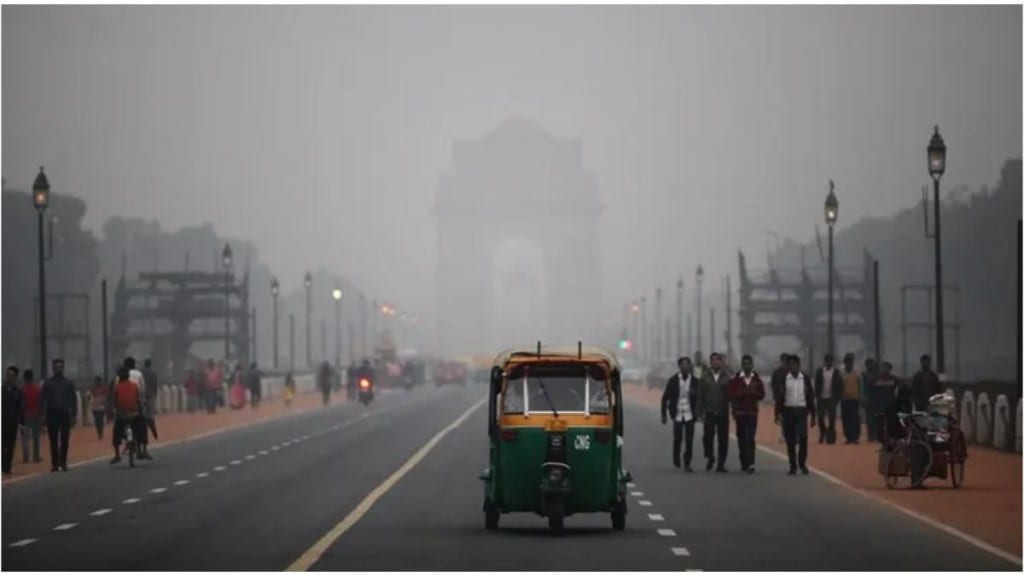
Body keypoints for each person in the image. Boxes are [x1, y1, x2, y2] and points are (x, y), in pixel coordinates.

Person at [775, 354, 815, 475]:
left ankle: (802, 463)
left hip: (802, 411)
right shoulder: (784, 379)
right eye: (790, 365)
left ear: (799, 365)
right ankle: (793, 465)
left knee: (803, 438)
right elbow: (779, 398)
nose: (793, 367)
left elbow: (810, 397)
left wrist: (813, 415)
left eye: (795, 364)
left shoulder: (805, 379)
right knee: (790, 440)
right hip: (788, 411)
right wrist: (777, 413)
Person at [727, 355, 765, 474]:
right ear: (742, 365)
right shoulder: (736, 379)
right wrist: (743, 392)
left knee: (750, 438)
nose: (747, 365)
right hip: (740, 413)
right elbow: (731, 394)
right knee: (742, 438)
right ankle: (744, 462)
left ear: (752, 365)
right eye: (745, 363)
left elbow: (762, 395)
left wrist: (753, 393)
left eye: (749, 363)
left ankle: (751, 463)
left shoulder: (757, 379)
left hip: (752, 413)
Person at [660, 357, 699, 472]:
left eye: (687, 364)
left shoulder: (695, 381)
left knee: (689, 440)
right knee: (678, 439)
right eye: (683, 364)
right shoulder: (673, 380)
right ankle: (676, 457)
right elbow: (664, 398)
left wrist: (695, 396)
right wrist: (664, 415)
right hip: (677, 413)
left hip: (690, 414)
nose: (685, 367)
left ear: (690, 366)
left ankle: (687, 463)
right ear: (679, 366)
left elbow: (701, 397)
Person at [41, 358, 76, 472]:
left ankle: (63, 462)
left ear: (63, 368)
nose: (58, 369)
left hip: (64, 414)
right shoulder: (48, 384)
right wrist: (42, 415)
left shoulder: (68, 383)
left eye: (60, 367)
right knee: (53, 440)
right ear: (53, 368)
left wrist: (74, 415)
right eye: (56, 367)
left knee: (65, 439)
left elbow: (73, 400)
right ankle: (55, 463)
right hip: (52, 414)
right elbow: (43, 400)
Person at [698, 352, 730, 473]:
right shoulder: (704, 377)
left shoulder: (727, 377)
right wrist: (699, 411)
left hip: (723, 411)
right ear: (710, 362)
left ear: (721, 362)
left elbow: (731, 395)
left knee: (723, 439)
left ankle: (721, 464)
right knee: (707, 437)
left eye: (718, 360)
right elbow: (700, 396)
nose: (716, 362)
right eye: (713, 360)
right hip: (709, 411)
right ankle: (710, 457)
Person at [110, 366, 144, 465]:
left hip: (122, 415)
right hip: (133, 415)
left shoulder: (117, 387)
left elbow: (114, 402)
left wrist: (116, 410)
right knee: (141, 428)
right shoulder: (134, 386)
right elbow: (138, 401)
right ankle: (141, 448)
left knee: (116, 432)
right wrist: (140, 410)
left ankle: (117, 455)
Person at [123, 357, 153, 460]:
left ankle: (127, 441)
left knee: (124, 424)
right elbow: (143, 389)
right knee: (142, 426)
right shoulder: (138, 374)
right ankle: (143, 449)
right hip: (137, 404)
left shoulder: (121, 374)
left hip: (124, 406)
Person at [813, 354, 841, 445]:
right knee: (820, 418)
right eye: (827, 361)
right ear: (825, 362)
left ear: (832, 362)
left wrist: (837, 398)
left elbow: (840, 385)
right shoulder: (820, 371)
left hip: (831, 398)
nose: (829, 363)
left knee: (832, 419)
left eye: (830, 361)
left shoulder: (836, 372)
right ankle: (823, 432)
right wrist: (816, 395)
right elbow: (816, 384)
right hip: (821, 398)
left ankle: (831, 438)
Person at [870, 362, 899, 445]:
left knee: (891, 425)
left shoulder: (894, 379)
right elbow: (873, 392)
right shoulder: (876, 379)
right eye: (883, 367)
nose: (885, 369)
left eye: (887, 367)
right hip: (880, 406)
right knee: (880, 425)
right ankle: (881, 440)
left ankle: (891, 439)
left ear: (890, 369)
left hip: (891, 406)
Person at [2, 366, 24, 475]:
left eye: (11, 376)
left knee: (10, 445)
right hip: (2, 421)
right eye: (7, 375)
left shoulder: (18, 392)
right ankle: (3, 464)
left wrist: (22, 423)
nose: (8, 377)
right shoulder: (2, 390)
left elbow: (21, 408)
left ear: (15, 377)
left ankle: (7, 466)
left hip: (12, 422)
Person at [20, 369, 43, 464]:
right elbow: (40, 402)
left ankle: (26, 457)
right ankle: (36, 456)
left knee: (25, 437)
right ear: (32, 377)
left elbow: (20, 403)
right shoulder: (37, 388)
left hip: (25, 415)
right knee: (36, 436)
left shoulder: (22, 389)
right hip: (36, 414)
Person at [839, 353, 862, 444]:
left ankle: (855, 437)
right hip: (844, 399)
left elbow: (860, 384)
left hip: (854, 398)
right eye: (847, 361)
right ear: (845, 362)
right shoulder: (840, 370)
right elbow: (838, 385)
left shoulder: (857, 370)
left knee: (855, 418)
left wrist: (861, 395)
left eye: (851, 361)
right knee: (846, 419)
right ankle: (848, 437)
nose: (849, 363)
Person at [770, 353, 790, 444]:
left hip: (792, 399)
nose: (785, 363)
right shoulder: (777, 372)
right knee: (782, 418)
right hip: (780, 399)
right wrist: (775, 395)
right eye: (784, 361)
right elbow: (773, 385)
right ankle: (783, 435)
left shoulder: (793, 372)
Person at [861, 358, 880, 442]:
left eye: (871, 364)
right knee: (869, 419)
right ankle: (870, 435)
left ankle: (876, 435)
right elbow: (862, 387)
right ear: (866, 365)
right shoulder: (864, 375)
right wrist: (863, 398)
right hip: (868, 399)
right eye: (869, 364)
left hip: (876, 399)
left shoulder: (877, 375)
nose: (870, 366)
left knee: (876, 418)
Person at [89, 376, 108, 440]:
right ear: (95, 382)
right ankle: (99, 432)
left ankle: (101, 432)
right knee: (97, 421)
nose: (98, 383)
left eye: (99, 381)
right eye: (97, 381)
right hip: (95, 408)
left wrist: (105, 402)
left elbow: (107, 396)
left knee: (101, 420)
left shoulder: (104, 388)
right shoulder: (92, 388)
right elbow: (89, 396)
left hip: (102, 407)